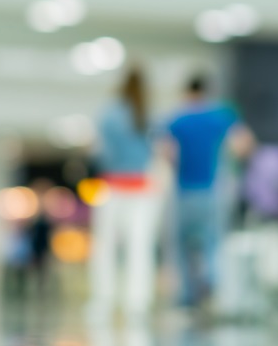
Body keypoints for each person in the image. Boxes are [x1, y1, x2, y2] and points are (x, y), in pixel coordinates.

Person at [164, 74, 251, 309]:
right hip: (214, 190)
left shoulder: (176, 119)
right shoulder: (222, 115)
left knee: (182, 246)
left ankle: (186, 296)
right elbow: (244, 145)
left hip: (184, 191)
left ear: (187, 92)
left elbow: (167, 154)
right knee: (213, 242)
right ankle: (214, 289)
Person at [88, 66, 159, 321]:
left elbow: (99, 153)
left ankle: (102, 303)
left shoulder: (109, 114)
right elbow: (157, 153)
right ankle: (137, 305)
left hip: (112, 187)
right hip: (142, 189)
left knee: (105, 248)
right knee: (140, 248)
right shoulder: (149, 115)